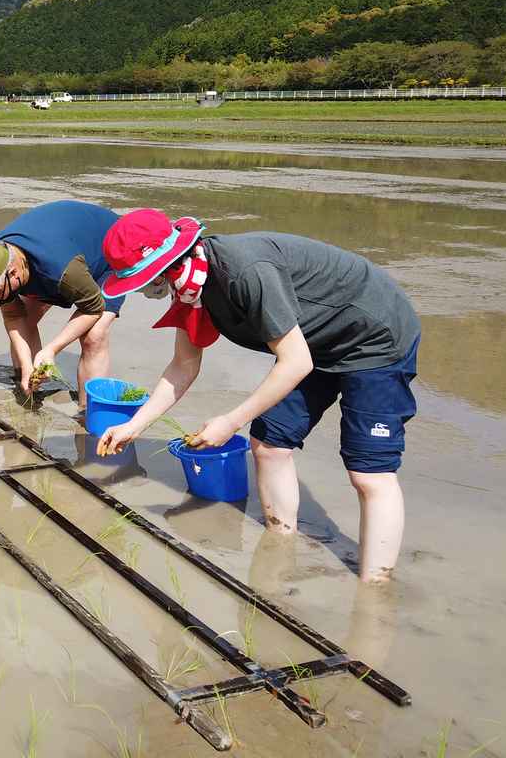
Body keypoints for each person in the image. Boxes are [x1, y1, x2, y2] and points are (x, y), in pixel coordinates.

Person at [95, 209, 420, 583]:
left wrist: (230, 421)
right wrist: (133, 426)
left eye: (143, 280)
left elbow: (295, 362)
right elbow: (183, 366)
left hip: (373, 336)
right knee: (268, 445)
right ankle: (280, 547)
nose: (143, 290)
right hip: (312, 343)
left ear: (166, 264)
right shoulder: (191, 289)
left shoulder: (243, 273)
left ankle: (374, 589)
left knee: (368, 473)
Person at [0, 200, 124, 406]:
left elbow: (93, 308)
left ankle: (90, 412)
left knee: (93, 336)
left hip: (112, 249)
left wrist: (52, 349)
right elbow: (13, 315)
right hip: (58, 247)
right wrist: (27, 367)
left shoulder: (62, 269)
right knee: (25, 319)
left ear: (13, 273)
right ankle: (29, 386)